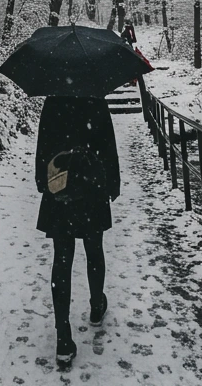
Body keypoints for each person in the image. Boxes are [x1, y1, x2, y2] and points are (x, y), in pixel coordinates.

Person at [34, 95, 120, 369]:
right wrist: (112, 184)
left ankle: (63, 336)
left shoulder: (52, 100)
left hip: (60, 190)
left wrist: (42, 181)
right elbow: (108, 144)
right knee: (94, 249)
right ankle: (96, 305)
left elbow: (43, 145)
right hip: (91, 189)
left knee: (62, 258)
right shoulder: (95, 98)